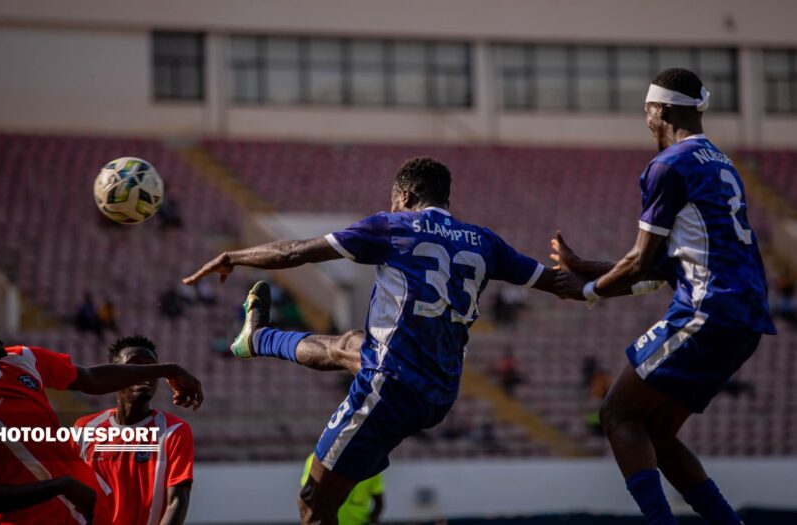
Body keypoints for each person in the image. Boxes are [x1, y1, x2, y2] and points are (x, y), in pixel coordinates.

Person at [183, 156, 572, 523]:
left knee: (313, 503)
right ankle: (259, 338)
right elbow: (559, 282)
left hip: (390, 388)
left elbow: (293, 252)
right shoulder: (483, 241)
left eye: (393, 199)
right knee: (352, 344)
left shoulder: (393, 226)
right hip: (439, 392)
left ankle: (260, 339)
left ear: (403, 196)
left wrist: (233, 257)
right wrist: (629, 274)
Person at [550, 68, 777, 525]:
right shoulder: (720, 161)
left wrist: (590, 291)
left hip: (707, 310)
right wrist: (585, 267)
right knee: (658, 434)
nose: (646, 121)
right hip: (745, 318)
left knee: (616, 414)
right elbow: (662, 265)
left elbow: (639, 263)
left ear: (662, 109)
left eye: (648, 112)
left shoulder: (668, 165)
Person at [0, 302, 203, 524]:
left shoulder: (22, 360)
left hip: (91, 518)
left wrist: (168, 369)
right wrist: (59, 486)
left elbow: (92, 379)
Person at [74, 335, 194, 525]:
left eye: (151, 367)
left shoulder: (174, 431)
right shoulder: (85, 429)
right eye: (135, 366)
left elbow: (177, 502)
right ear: (115, 376)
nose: (144, 374)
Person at [301, 453, 383, 525]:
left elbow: (378, 502)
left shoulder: (371, 465)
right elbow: (307, 498)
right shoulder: (317, 460)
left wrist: (373, 520)